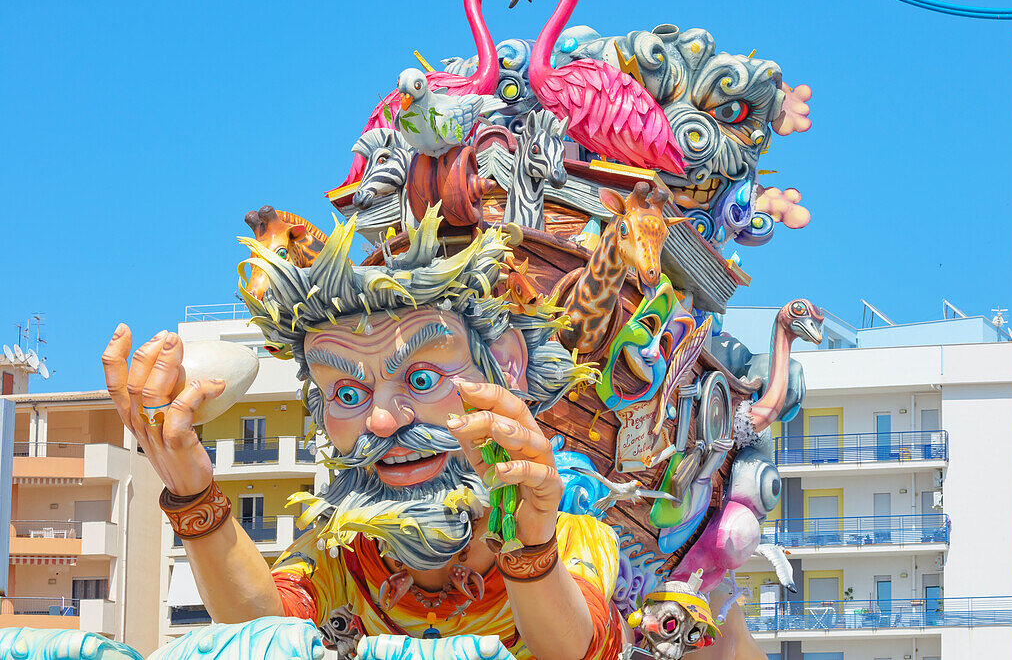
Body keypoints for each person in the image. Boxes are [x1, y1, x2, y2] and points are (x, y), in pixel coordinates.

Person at [102, 207, 768, 660]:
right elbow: (266, 631)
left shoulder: (574, 537)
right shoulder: (342, 559)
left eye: (420, 380)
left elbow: (575, 646)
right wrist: (192, 488)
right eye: (346, 392)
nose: (380, 422)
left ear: (504, 370)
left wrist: (527, 544)